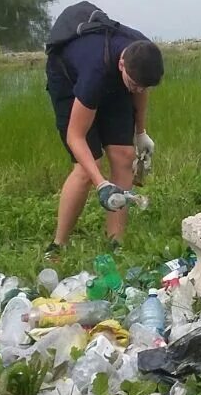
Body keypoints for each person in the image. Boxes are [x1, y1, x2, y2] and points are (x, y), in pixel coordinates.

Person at [45, 15, 164, 256]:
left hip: (117, 80)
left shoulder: (142, 54)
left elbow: (139, 88)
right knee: (86, 167)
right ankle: (58, 245)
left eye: (144, 87)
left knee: (124, 155)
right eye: (135, 85)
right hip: (69, 82)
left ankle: (116, 245)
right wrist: (101, 184)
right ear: (122, 65)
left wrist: (140, 132)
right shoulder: (95, 72)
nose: (139, 91)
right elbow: (75, 137)